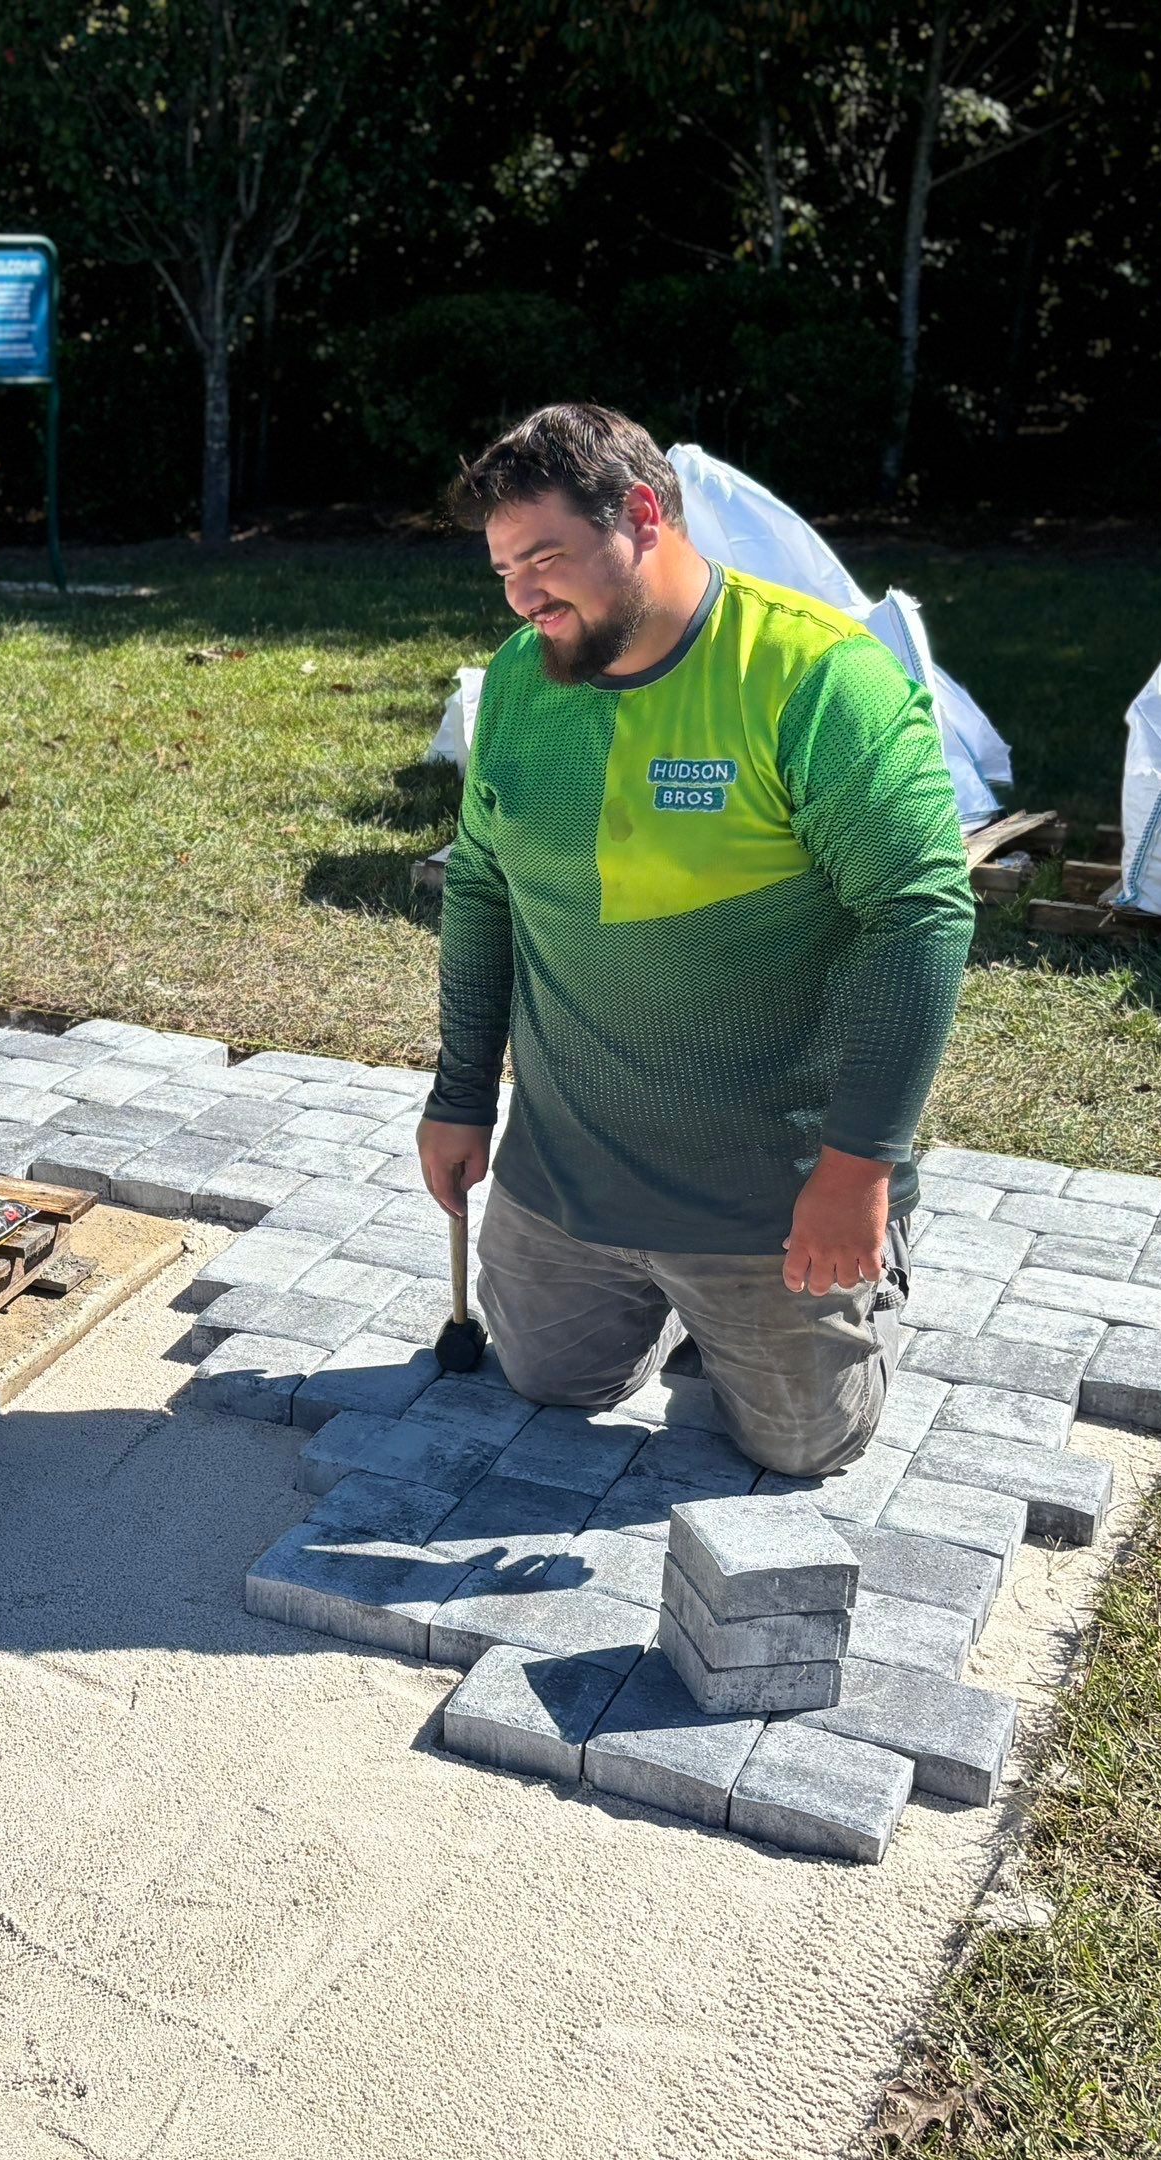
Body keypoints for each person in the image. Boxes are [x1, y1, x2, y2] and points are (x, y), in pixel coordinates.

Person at [417, 404, 975, 1476]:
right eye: (503, 571)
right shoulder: (527, 680)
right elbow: (482, 884)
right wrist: (457, 1094)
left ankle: (875, 1259)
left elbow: (920, 914)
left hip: (768, 1191)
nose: (523, 595)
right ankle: (663, 1305)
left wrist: (858, 1170)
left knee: (807, 1447)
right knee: (548, 1382)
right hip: (566, 1174)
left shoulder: (818, 680)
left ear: (642, 515)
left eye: (545, 558)